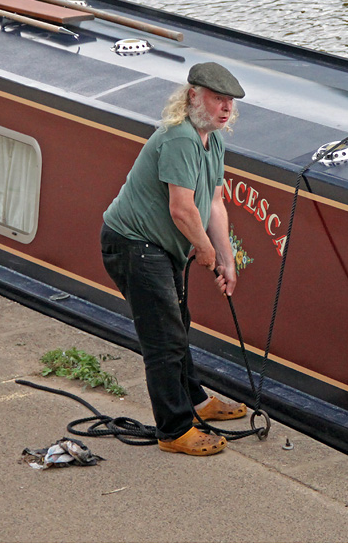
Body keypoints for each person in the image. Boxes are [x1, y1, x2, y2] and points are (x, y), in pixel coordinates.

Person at [100, 62, 247, 456]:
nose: (225, 108)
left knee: (177, 324)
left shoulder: (211, 140)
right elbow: (182, 210)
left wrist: (226, 260)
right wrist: (204, 250)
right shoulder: (180, 138)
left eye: (229, 102)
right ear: (193, 95)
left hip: (162, 248)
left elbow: (214, 203)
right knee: (164, 339)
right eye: (217, 99)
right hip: (133, 244)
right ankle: (174, 430)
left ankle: (196, 402)